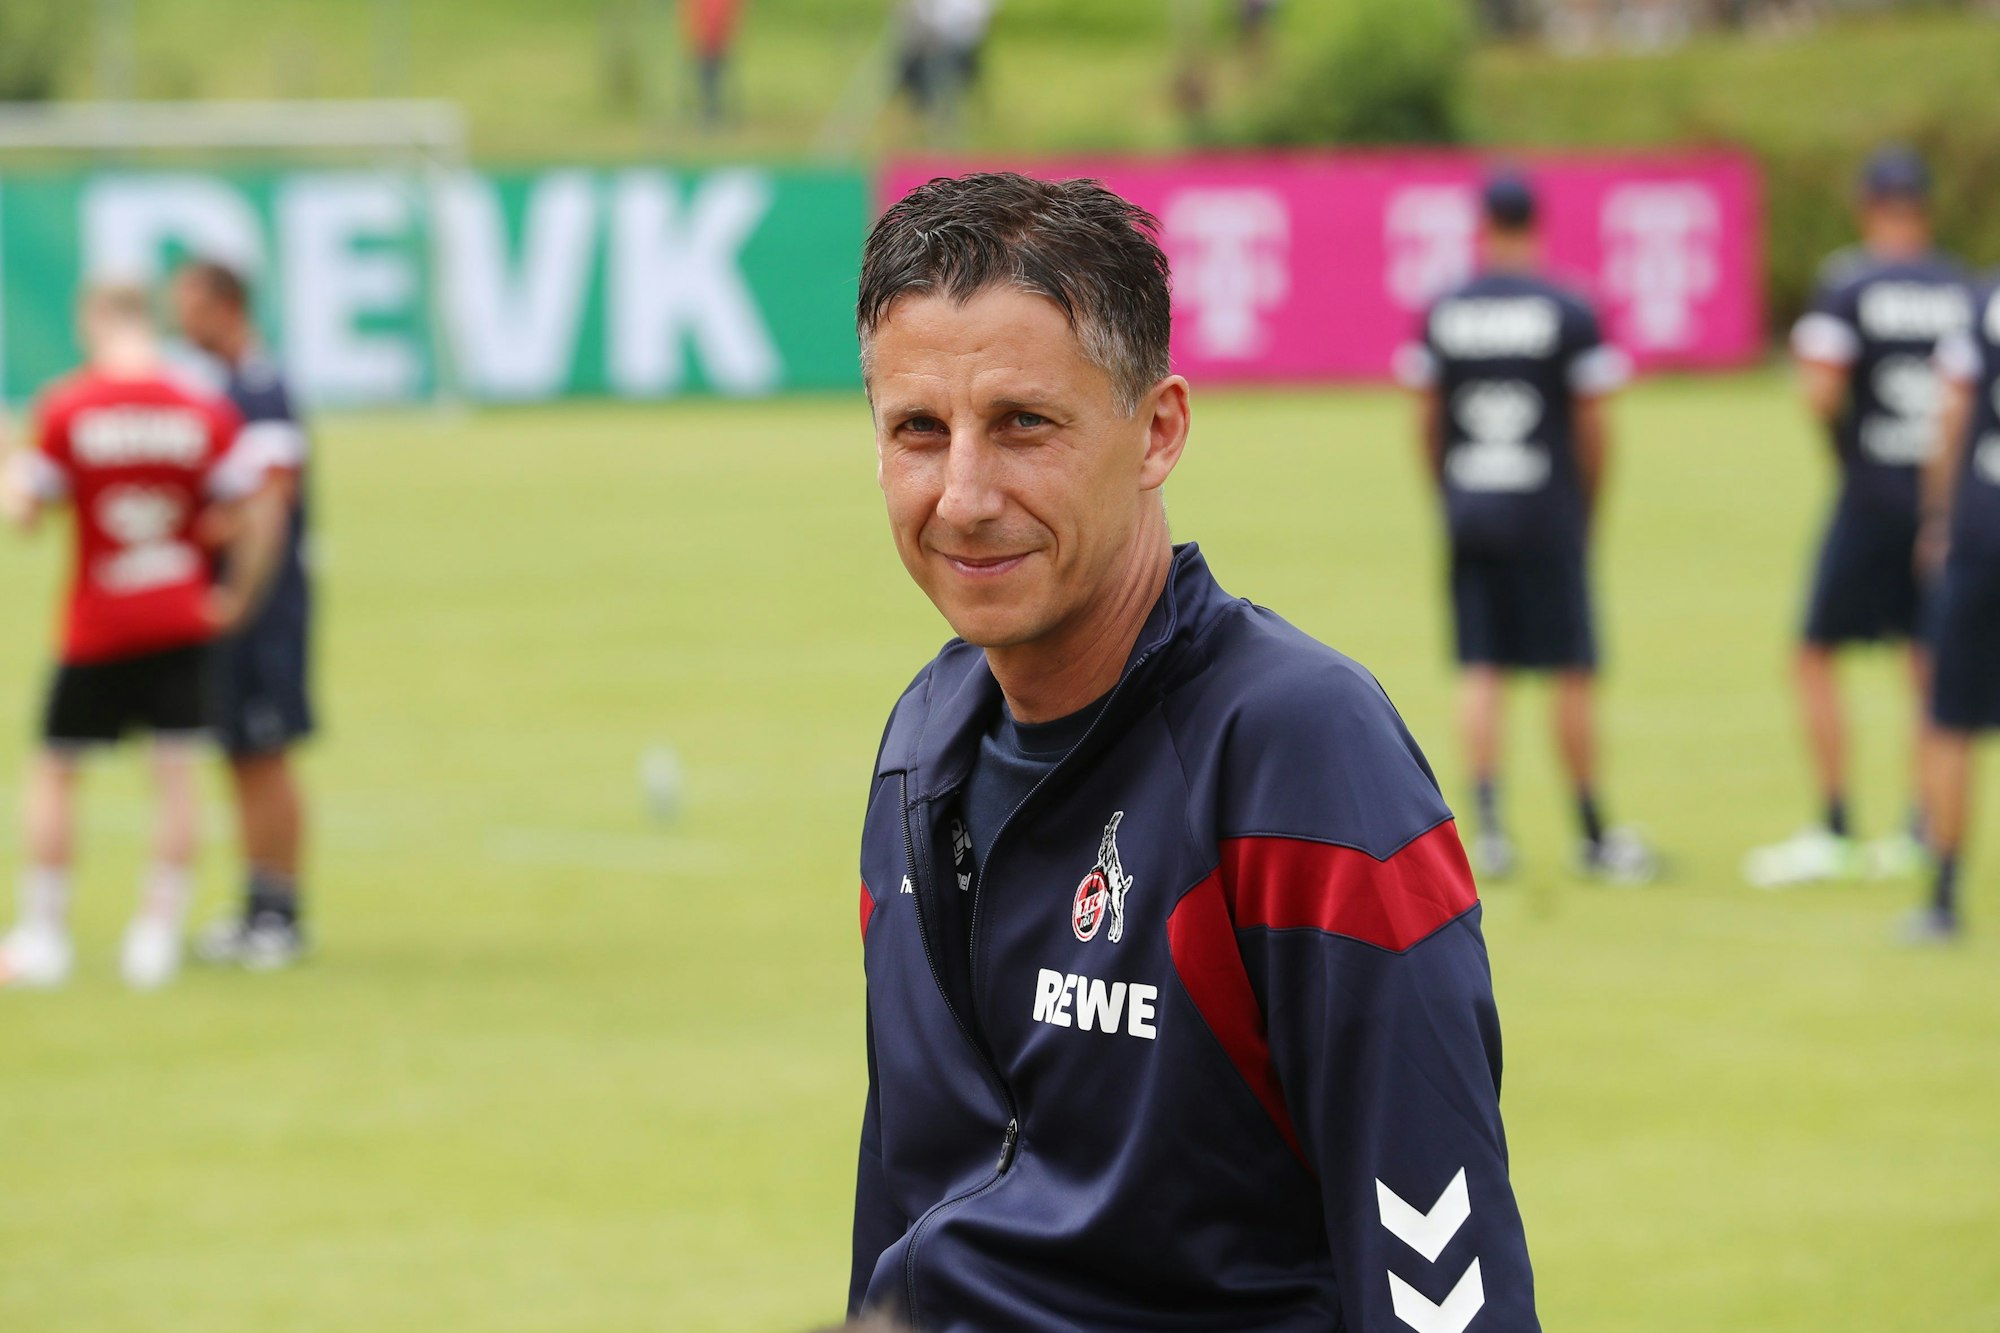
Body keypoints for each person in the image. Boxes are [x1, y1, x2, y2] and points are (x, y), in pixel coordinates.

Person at [848, 174, 1538, 1330]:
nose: (961, 495)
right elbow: (907, 1209)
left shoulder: (1299, 751)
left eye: (1023, 423)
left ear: (1157, 430)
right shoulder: (920, 745)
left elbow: (1436, 1267)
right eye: (918, 431)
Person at [0, 283, 284, 990]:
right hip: (181, 613)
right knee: (176, 772)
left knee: (57, 768)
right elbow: (256, 505)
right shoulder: (200, 406)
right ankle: (154, 934)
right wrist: (235, 599)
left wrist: (9, 458)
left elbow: (25, 513)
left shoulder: (70, 406)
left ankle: (44, 933)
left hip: (98, 618)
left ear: (93, 322)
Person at [1396, 170, 1655, 884]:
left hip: (1472, 503)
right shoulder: (1568, 307)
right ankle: (1593, 829)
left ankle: (1490, 829)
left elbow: (1424, 416)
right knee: (1568, 666)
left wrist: (1447, 490)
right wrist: (1586, 506)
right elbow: (1594, 424)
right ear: (1536, 224)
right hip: (1546, 507)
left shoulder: (1446, 308)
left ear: (1482, 226)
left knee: (1482, 664)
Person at [1745, 147, 1971, 889]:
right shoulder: (1959, 287)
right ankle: (1918, 825)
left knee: (1813, 653)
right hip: (1944, 500)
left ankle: (1837, 822)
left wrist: (1840, 444)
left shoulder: (1852, 283)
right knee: (1925, 661)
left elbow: (1818, 389)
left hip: (1869, 493)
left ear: (1867, 204)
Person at [171, 260, 317, 969]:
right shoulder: (222, 390)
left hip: (267, 605)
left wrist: (190, 527)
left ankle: (282, 914)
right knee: (237, 754)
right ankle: (256, 906)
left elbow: (273, 495)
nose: (181, 319)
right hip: (227, 606)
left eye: (191, 305)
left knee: (268, 753)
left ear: (226, 308)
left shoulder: (262, 389)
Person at [1912, 275, 2000, 940]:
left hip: (1982, 524)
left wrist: (1939, 514)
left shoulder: (1982, 300)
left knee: (1950, 717)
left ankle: (1942, 898)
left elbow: (1952, 410)